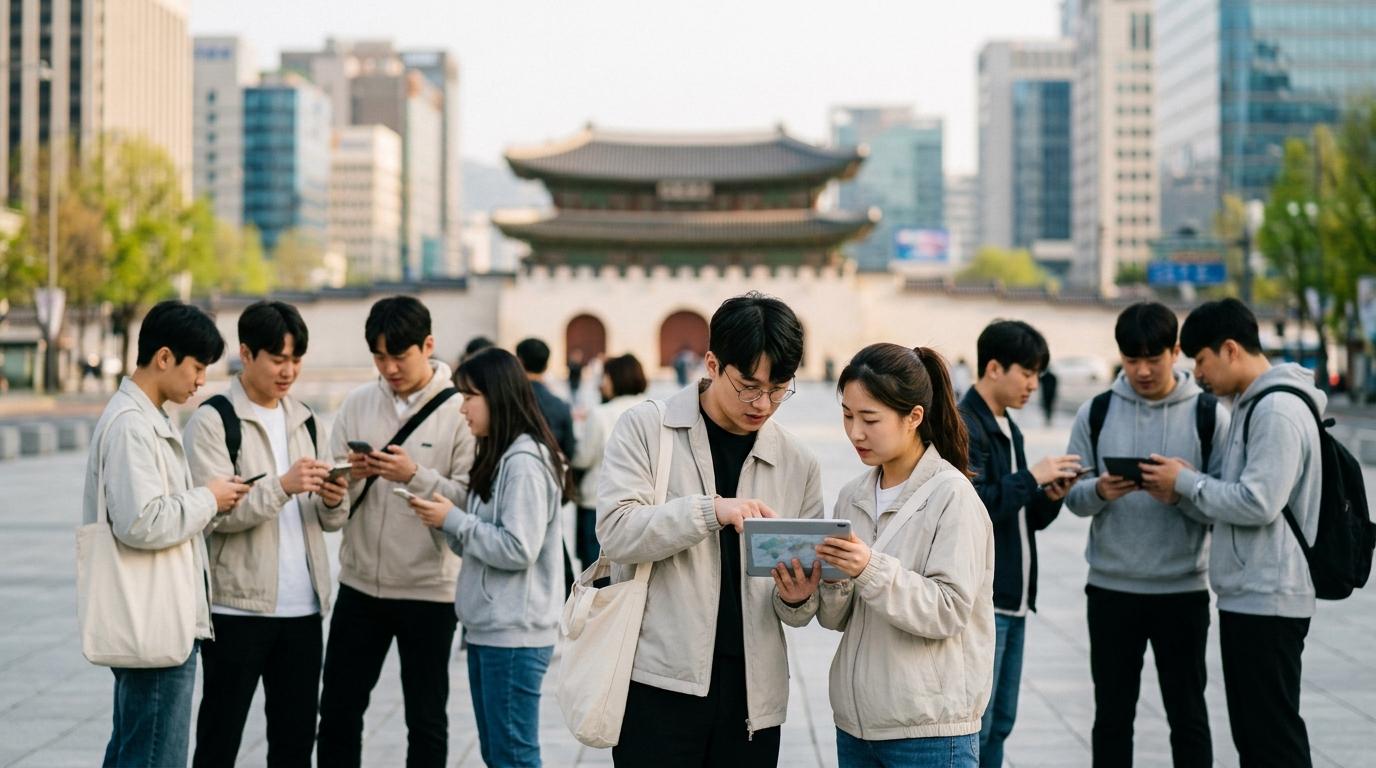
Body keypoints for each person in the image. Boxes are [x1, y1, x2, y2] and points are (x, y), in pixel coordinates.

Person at [597, 291, 824, 766]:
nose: (763, 403)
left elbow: (802, 612)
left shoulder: (797, 461)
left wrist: (799, 597)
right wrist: (710, 511)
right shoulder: (647, 430)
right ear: (712, 364)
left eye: (780, 387)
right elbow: (616, 531)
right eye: (749, 385)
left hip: (752, 700)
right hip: (657, 686)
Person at [778, 343, 994, 768]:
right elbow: (837, 619)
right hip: (857, 728)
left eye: (870, 419)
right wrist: (805, 594)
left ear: (914, 417)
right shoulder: (852, 496)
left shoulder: (952, 497)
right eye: (847, 416)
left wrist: (868, 567)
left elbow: (949, 610)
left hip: (928, 732)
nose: (856, 432)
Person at [1142, 298, 1326, 768]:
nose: (1198, 375)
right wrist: (1186, 486)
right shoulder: (1249, 404)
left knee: (1272, 736)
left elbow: (1259, 501)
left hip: (1270, 595)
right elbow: (1235, 491)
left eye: (1200, 361)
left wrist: (1186, 482)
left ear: (1229, 349)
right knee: (1254, 735)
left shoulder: (1276, 409)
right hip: (1250, 594)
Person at [183, 301, 350, 768]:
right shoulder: (213, 420)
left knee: (295, 742)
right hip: (236, 606)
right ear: (246, 354)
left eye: (296, 359)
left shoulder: (306, 418)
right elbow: (213, 513)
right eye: (278, 358)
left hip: (304, 608)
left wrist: (335, 498)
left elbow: (327, 519)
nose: (288, 371)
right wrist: (282, 486)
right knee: (219, 736)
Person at [83, 301, 249, 767]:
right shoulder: (132, 426)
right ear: (163, 358)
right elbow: (142, 521)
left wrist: (210, 501)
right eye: (197, 367)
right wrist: (209, 498)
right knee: (156, 755)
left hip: (160, 616)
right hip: (154, 623)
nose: (201, 381)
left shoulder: (148, 417)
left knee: (135, 747)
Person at [1064, 302, 1228, 767]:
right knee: (1112, 716)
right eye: (1131, 360)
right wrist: (1099, 490)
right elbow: (1072, 498)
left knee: (1188, 714)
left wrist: (1180, 493)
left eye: (1153, 360)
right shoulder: (1095, 412)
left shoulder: (1208, 415)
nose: (1142, 371)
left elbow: (1223, 504)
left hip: (1183, 590)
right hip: (1111, 588)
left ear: (1175, 352)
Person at [315, 296, 476, 768]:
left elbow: (468, 501)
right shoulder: (358, 404)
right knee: (339, 710)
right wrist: (338, 487)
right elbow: (332, 514)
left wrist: (413, 474)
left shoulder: (460, 410)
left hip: (430, 589)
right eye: (379, 357)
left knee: (425, 719)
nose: (389, 368)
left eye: (399, 356)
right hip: (360, 584)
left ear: (428, 345)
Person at [407, 347, 573, 768]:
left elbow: (518, 548)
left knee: (513, 755)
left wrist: (455, 521)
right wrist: (446, 520)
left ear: (496, 396)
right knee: (499, 753)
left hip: (513, 634)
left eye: (469, 397)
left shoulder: (524, 461)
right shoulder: (500, 455)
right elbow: (482, 544)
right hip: (491, 629)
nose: (462, 409)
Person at [960, 319, 1080, 767]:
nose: (1034, 384)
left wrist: (1049, 496)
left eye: (1037, 375)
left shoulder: (1010, 426)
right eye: (1026, 373)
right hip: (987, 600)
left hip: (1016, 598)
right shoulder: (965, 425)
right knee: (982, 721)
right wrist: (1032, 477)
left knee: (1002, 720)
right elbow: (972, 509)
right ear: (994, 368)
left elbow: (1021, 516)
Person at [570, 353, 649, 567]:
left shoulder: (600, 414)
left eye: (604, 377)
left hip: (598, 501)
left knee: (598, 571)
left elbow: (584, 458)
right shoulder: (654, 409)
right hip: (643, 502)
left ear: (615, 378)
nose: (601, 384)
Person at [515, 337, 577, 463]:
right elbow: (569, 450)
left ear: (519, 361)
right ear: (546, 366)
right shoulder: (560, 405)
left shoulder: (508, 399)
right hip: (552, 471)